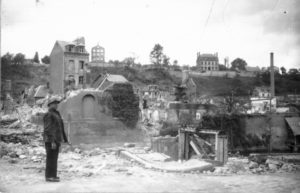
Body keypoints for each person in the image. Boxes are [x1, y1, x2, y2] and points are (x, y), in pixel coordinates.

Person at [43, 96, 68, 182]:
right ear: (50, 105)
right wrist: (52, 141)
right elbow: (48, 129)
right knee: (50, 158)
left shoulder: (56, 114)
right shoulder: (48, 114)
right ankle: (49, 176)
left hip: (56, 140)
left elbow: (60, 127)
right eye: (54, 104)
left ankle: (53, 175)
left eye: (57, 103)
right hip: (50, 140)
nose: (56, 105)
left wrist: (65, 139)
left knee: (54, 158)